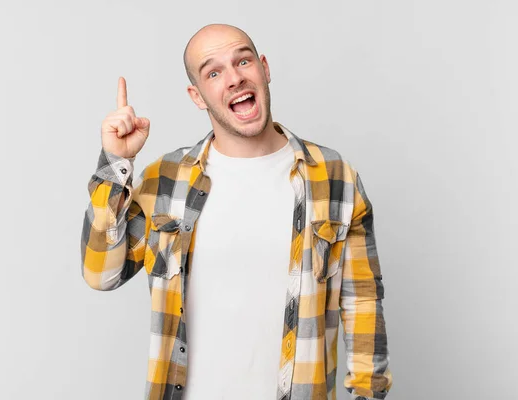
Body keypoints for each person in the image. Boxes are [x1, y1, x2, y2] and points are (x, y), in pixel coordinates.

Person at [80, 23, 392, 400]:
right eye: (214, 72)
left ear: (264, 68)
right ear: (197, 95)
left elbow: (362, 305)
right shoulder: (164, 180)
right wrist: (116, 163)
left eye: (242, 61)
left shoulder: (334, 176)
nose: (234, 79)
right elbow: (101, 274)